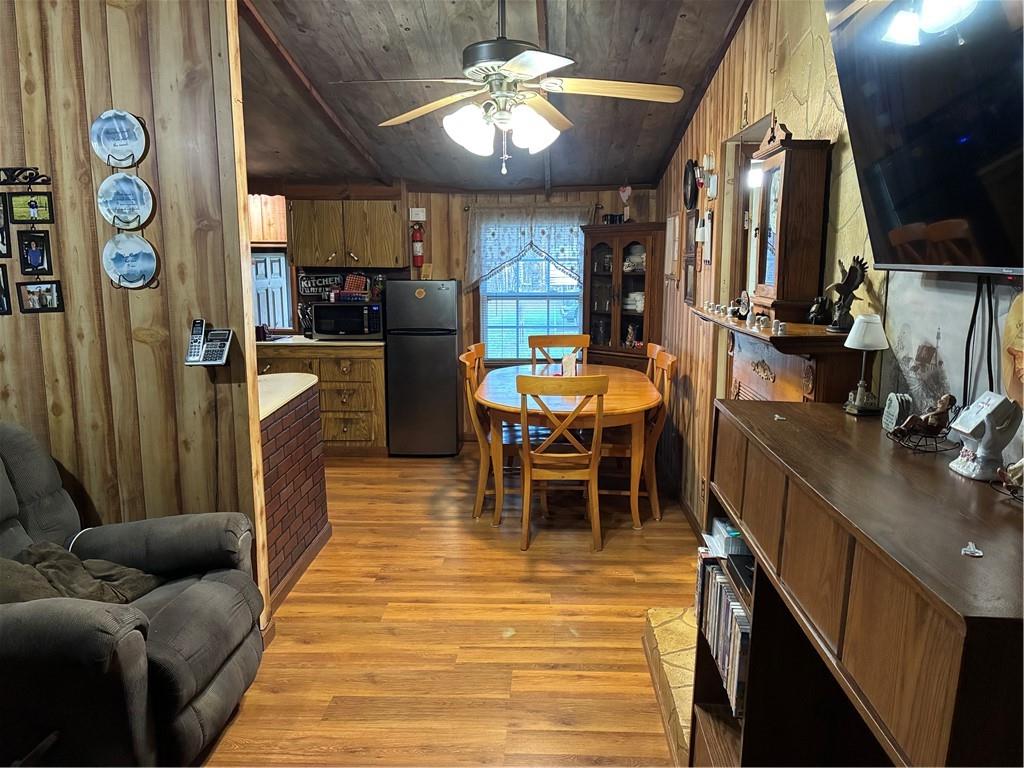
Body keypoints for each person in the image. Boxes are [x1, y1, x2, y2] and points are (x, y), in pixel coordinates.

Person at [891, 393, 957, 438]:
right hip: (922, 426)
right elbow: (927, 416)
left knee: (913, 417)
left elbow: (932, 425)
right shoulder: (937, 410)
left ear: (948, 406)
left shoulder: (943, 416)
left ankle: (902, 430)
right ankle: (902, 429)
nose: (939, 401)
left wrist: (922, 421)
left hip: (928, 431)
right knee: (913, 419)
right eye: (941, 399)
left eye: (943, 400)